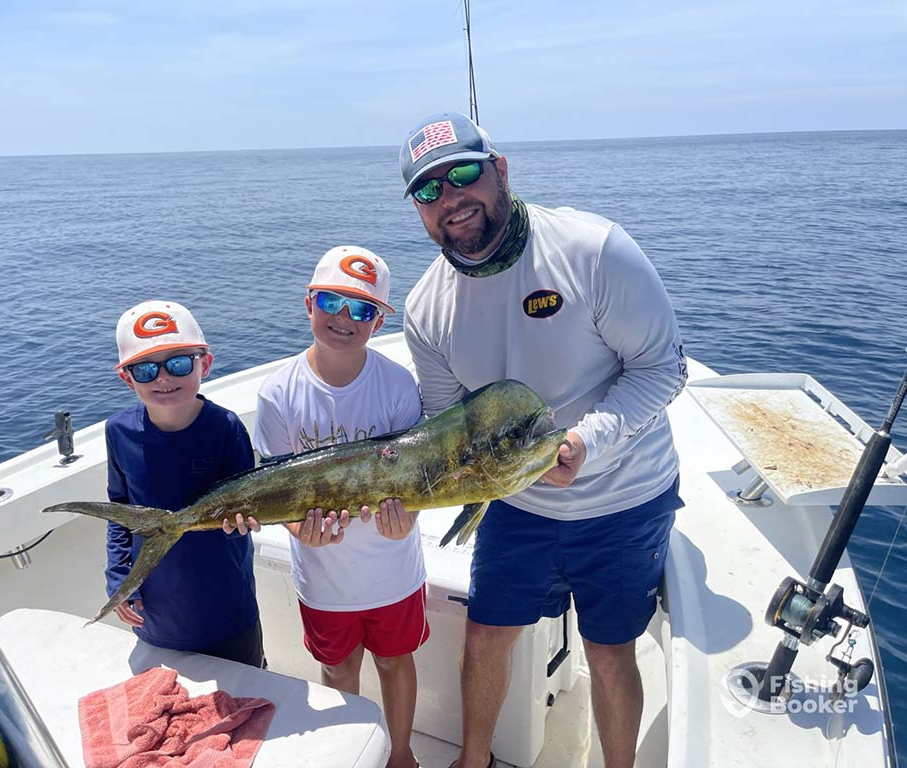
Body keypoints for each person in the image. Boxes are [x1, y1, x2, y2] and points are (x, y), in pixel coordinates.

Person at [398, 113, 687, 768]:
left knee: (610, 653)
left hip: (623, 498)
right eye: (429, 191)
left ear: (499, 170)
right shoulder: (424, 308)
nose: (451, 199)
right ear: (418, 209)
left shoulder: (592, 248)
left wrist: (588, 443)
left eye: (463, 175)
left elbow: (664, 367)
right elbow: (446, 430)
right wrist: (397, 506)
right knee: (485, 636)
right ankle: (473, 762)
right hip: (517, 504)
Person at [251, 246, 427, 768]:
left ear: (378, 321)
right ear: (309, 303)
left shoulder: (398, 387)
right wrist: (298, 531)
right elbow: (275, 491)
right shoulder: (278, 393)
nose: (344, 319)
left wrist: (407, 521)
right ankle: (353, 755)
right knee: (339, 669)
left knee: (397, 662)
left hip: (393, 571)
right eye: (332, 300)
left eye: (362, 309)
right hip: (323, 577)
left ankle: (400, 755)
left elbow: (414, 480)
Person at [104, 299, 264, 667]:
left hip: (228, 613)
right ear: (126, 378)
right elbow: (119, 515)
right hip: (156, 615)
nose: (163, 378)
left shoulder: (226, 428)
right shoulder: (118, 432)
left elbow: (243, 518)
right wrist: (119, 581)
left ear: (204, 364)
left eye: (178, 363)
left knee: (248, 709)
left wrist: (243, 523)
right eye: (145, 369)